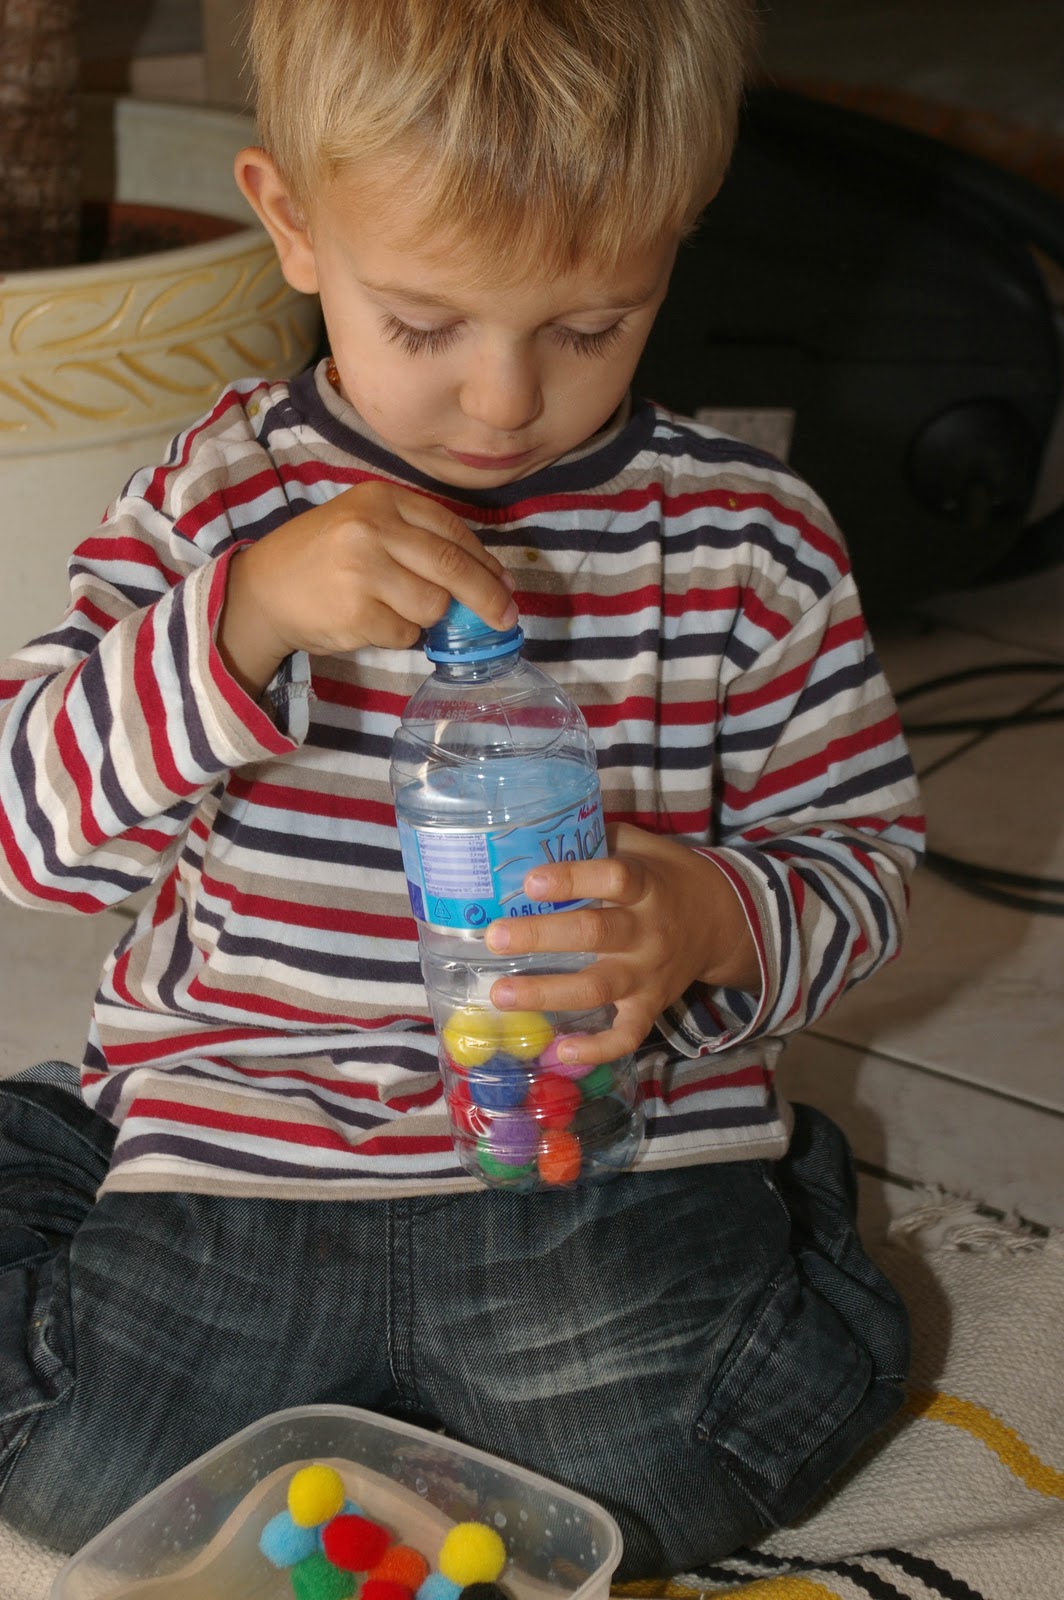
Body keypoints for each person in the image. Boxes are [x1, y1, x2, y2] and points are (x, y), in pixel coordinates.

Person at [0, 0, 924, 1576]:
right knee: (86, 1477)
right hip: (247, 1149)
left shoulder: (750, 542)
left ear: (678, 235)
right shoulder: (214, 504)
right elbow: (31, 838)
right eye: (425, 326)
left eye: (592, 325)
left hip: (603, 1154)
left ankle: (787, 1193)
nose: (503, 399)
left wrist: (713, 919)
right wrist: (239, 620)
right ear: (293, 222)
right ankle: (58, 1144)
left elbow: (863, 864)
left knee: (680, 1473)